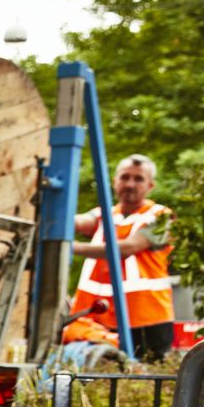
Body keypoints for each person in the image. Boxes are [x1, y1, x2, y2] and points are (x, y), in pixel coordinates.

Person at [61, 154, 175, 359]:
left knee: (143, 381)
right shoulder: (104, 214)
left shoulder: (161, 217)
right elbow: (76, 221)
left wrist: (70, 247)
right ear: (115, 182)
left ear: (151, 185)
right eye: (125, 177)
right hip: (100, 317)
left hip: (147, 319)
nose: (130, 184)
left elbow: (127, 248)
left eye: (138, 179)